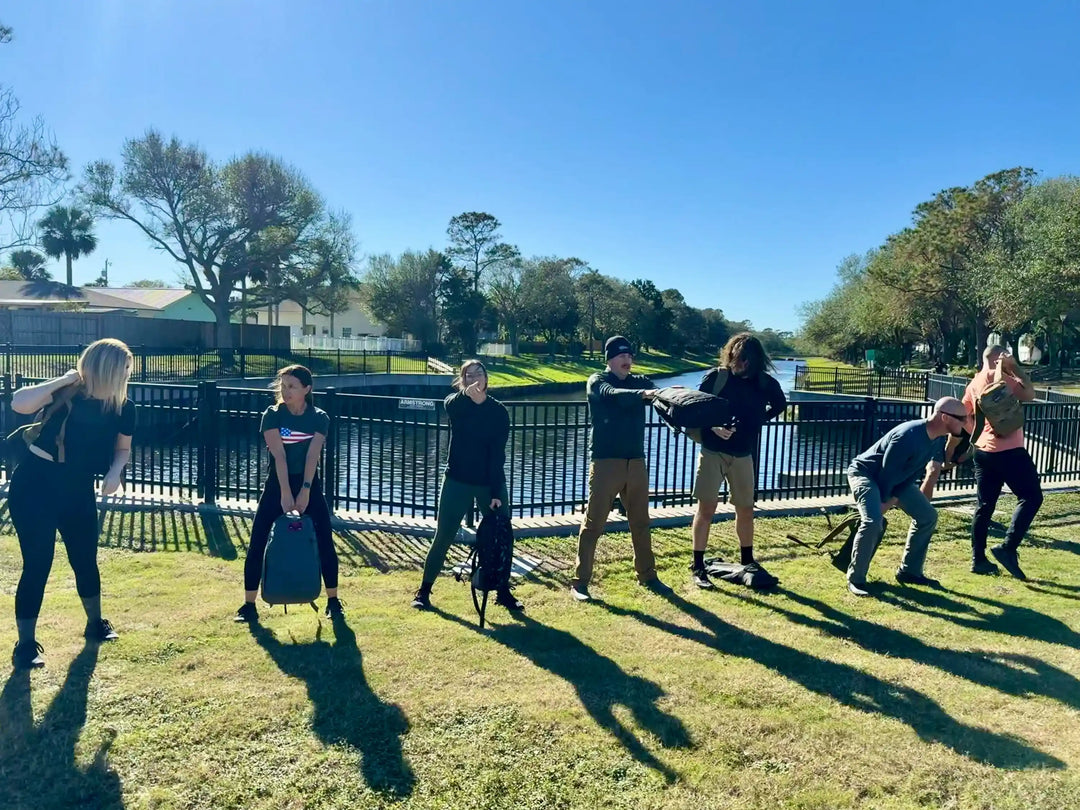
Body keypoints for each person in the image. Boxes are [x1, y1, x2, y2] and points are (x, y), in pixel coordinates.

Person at [9, 338, 136, 669]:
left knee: (85, 559)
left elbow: (122, 449)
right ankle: (25, 646)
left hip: (78, 488)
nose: (128, 374)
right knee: (38, 563)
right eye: (124, 368)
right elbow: (19, 403)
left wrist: (115, 471)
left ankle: (95, 625)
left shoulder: (124, 406)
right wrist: (64, 379)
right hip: (35, 485)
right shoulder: (67, 391)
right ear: (106, 367)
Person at [411, 360, 522, 611]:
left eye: (478, 373)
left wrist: (496, 492)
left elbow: (498, 454)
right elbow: (449, 404)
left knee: (501, 536)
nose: (474, 378)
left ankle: (503, 592)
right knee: (443, 536)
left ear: (486, 378)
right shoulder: (457, 404)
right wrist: (465, 394)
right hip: (457, 481)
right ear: (462, 381)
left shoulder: (498, 412)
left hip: (488, 483)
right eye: (468, 375)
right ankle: (424, 591)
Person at [235, 365, 342, 622]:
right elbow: (279, 456)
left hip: (308, 484)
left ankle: (333, 602)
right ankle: (248, 605)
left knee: (325, 542)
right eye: (283, 385)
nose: (286, 391)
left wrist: (305, 491)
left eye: (292, 386)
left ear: (307, 389)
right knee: (258, 541)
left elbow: (312, 456)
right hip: (277, 483)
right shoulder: (272, 415)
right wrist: (285, 493)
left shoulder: (319, 418)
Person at [570, 336, 666, 601]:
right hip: (606, 463)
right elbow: (611, 395)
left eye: (630, 356)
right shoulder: (598, 381)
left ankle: (647, 576)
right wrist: (642, 395)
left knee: (641, 522)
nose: (627, 360)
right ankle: (580, 582)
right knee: (594, 524)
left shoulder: (639, 381)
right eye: (622, 356)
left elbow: (659, 394)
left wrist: (672, 394)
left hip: (636, 462)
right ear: (610, 359)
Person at [689, 333, 787, 588]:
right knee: (706, 508)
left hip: (743, 454)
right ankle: (698, 566)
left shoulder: (764, 383)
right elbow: (695, 408)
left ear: (755, 361)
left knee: (745, 508)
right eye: (737, 358)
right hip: (713, 451)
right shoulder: (716, 377)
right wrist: (713, 426)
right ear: (730, 355)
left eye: (746, 360)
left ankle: (747, 561)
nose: (740, 364)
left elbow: (780, 405)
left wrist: (758, 421)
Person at [843, 397, 967, 597]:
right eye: (961, 418)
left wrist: (893, 498)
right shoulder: (908, 436)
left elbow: (912, 472)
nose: (966, 422)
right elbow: (886, 473)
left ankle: (909, 571)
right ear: (945, 417)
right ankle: (856, 579)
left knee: (928, 516)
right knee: (873, 521)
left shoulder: (938, 437)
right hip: (867, 475)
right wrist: (885, 501)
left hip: (895, 480)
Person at [963, 345, 1041, 579]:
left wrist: (980, 436)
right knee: (1031, 497)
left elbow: (965, 415)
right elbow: (1029, 394)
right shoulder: (1002, 378)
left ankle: (978, 559)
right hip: (1010, 451)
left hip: (984, 452)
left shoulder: (974, 382)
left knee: (985, 506)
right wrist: (1015, 367)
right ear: (1000, 358)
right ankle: (1007, 548)